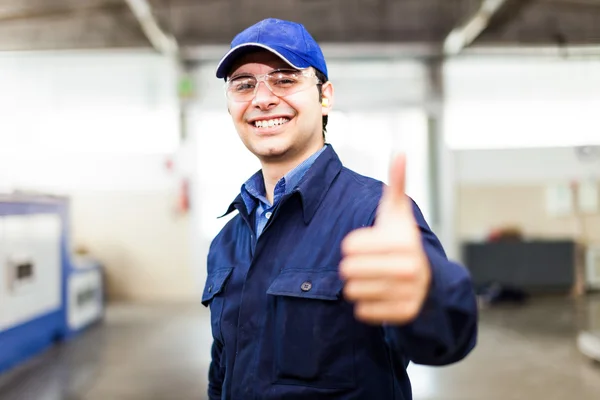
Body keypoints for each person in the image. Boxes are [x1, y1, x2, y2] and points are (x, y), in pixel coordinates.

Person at [202, 17, 478, 400]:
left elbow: (446, 340)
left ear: (325, 95)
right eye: (244, 85)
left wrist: (428, 293)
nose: (262, 98)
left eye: (285, 79)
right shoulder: (227, 240)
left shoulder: (372, 216)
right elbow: (223, 369)